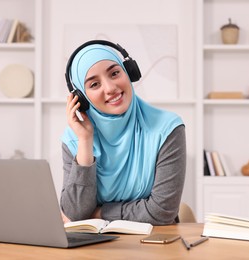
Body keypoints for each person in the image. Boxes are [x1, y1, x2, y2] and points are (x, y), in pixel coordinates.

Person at [60, 40, 186, 225]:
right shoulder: (74, 139)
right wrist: (85, 141)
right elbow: (74, 214)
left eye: (115, 73)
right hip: (94, 250)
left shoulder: (167, 129)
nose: (110, 88)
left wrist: (99, 213)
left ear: (129, 73)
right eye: (94, 84)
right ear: (81, 98)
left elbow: (161, 211)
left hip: (154, 245)